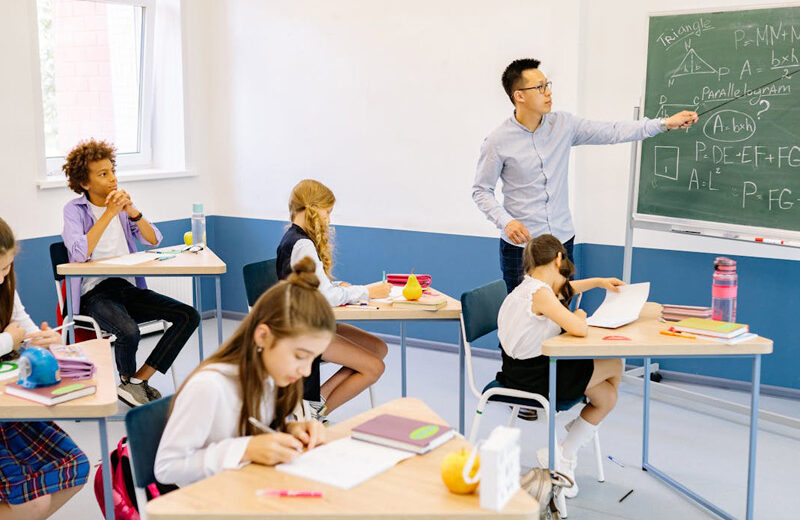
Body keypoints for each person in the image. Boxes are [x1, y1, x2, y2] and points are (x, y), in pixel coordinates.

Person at [473, 58, 698, 294]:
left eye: (547, 85)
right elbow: (481, 190)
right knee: (523, 313)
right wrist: (506, 222)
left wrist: (664, 123)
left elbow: (612, 131)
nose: (548, 92)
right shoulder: (498, 141)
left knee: (562, 311)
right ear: (519, 96)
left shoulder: (563, 125)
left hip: (561, 242)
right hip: (521, 248)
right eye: (539, 87)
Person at [155, 257, 333, 487]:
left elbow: (257, 427)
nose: (307, 371)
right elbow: (167, 468)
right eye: (300, 356)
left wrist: (291, 430)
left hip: (248, 488)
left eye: (313, 358)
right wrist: (246, 449)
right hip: (210, 498)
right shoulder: (209, 387)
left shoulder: (274, 375)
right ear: (263, 336)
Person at [61, 139, 200, 407]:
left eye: (112, 171)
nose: (113, 178)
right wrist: (108, 213)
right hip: (94, 294)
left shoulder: (123, 211)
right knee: (129, 331)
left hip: (126, 289)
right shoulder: (74, 211)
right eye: (103, 174)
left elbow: (154, 239)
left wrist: (132, 212)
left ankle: (136, 382)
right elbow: (78, 253)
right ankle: (128, 382)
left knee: (188, 315)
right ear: (85, 183)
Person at [496, 233, 625, 498]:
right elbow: (579, 328)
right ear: (558, 259)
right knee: (614, 364)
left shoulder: (528, 287)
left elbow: (567, 289)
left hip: (517, 372)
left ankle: (565, 454)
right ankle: (569, 447)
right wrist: (579, 314)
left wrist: (598, 282)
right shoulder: (541, 294)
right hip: (535, 380)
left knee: (608, 397)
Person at [276, 179, 391, 421]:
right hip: (305, 332)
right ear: (313, 209)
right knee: (375, 367)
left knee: (378, 348)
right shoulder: (303, 244)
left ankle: (315, 405)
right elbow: (326, 297)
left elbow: (315, 287)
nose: (329, 219)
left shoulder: (294, 238)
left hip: (311, 323)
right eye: (327, 212)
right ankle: (312, 417)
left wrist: (339, 287)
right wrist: (367, 292)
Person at [0, 217, 89, 520]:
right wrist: (8, 340)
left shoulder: (6, 285)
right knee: (32, 503)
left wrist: (48, 339)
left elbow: (23, 325)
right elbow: (13, 335)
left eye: (7, 267)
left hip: (9, 406)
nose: (3, 277)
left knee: (74, 466)